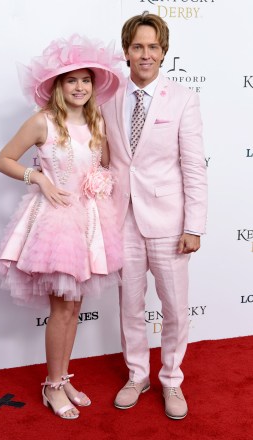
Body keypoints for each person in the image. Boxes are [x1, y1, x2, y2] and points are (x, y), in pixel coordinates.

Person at [0, 35, 123, 420]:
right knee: (62, 308)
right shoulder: (42, 122)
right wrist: (40, 178)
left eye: (86, 80)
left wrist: (100, 182)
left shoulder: (95, 122)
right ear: (57, 86)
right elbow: (3, 160)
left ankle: (62, 376)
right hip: (55, 223)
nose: (80, 87)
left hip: (89, 222)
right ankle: (51, 387)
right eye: (71, 80)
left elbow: (103, 168)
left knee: (75, 305)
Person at [101, 12, 208, 419]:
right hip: (120, 217)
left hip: (169, 221)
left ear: (164, 52)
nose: (145, 54)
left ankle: (172, 379)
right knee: (129, 304)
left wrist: (193, 225)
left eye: (153, 47)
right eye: (138, 47)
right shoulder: (107, 98)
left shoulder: (183, 98)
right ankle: (137, 374)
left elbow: (194, 167)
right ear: (126, 51)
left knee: (175, 308)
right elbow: (106, 158)